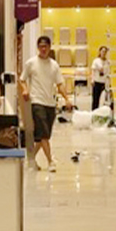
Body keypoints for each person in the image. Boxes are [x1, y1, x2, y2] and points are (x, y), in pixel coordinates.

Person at [20, 34, 72, 171]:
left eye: (45, 46)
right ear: (38, 47)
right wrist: (25, 90)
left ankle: (30, 160)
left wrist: (66, 98)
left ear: (49, 47)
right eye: (41, 46)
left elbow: (60, 84)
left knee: (43, 136)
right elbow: (22, 79)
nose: (43, 49)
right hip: (36, 102)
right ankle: (50, 162)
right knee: (43, 134)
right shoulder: (31, 63)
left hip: (50, 103)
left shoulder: (54, 65)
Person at [89, 45, 110, 111]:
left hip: (104, 83)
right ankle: (94, 112)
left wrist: (108, 82)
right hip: (97, 82)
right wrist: (92, 80)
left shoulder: (108, 62)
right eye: (102, 51)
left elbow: (108, 73)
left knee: (104, 100)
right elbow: (93, 71)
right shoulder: (96, 61)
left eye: (105, 52)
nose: (104, 53)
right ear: (100, 52)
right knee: (95, 99)